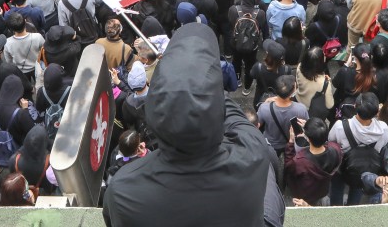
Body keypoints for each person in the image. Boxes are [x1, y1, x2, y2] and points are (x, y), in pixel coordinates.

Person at [103, 24, 269, 227]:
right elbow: (230, 112)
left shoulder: (123, 190)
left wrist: (173, 81)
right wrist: (199, 81)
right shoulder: (253, 153)